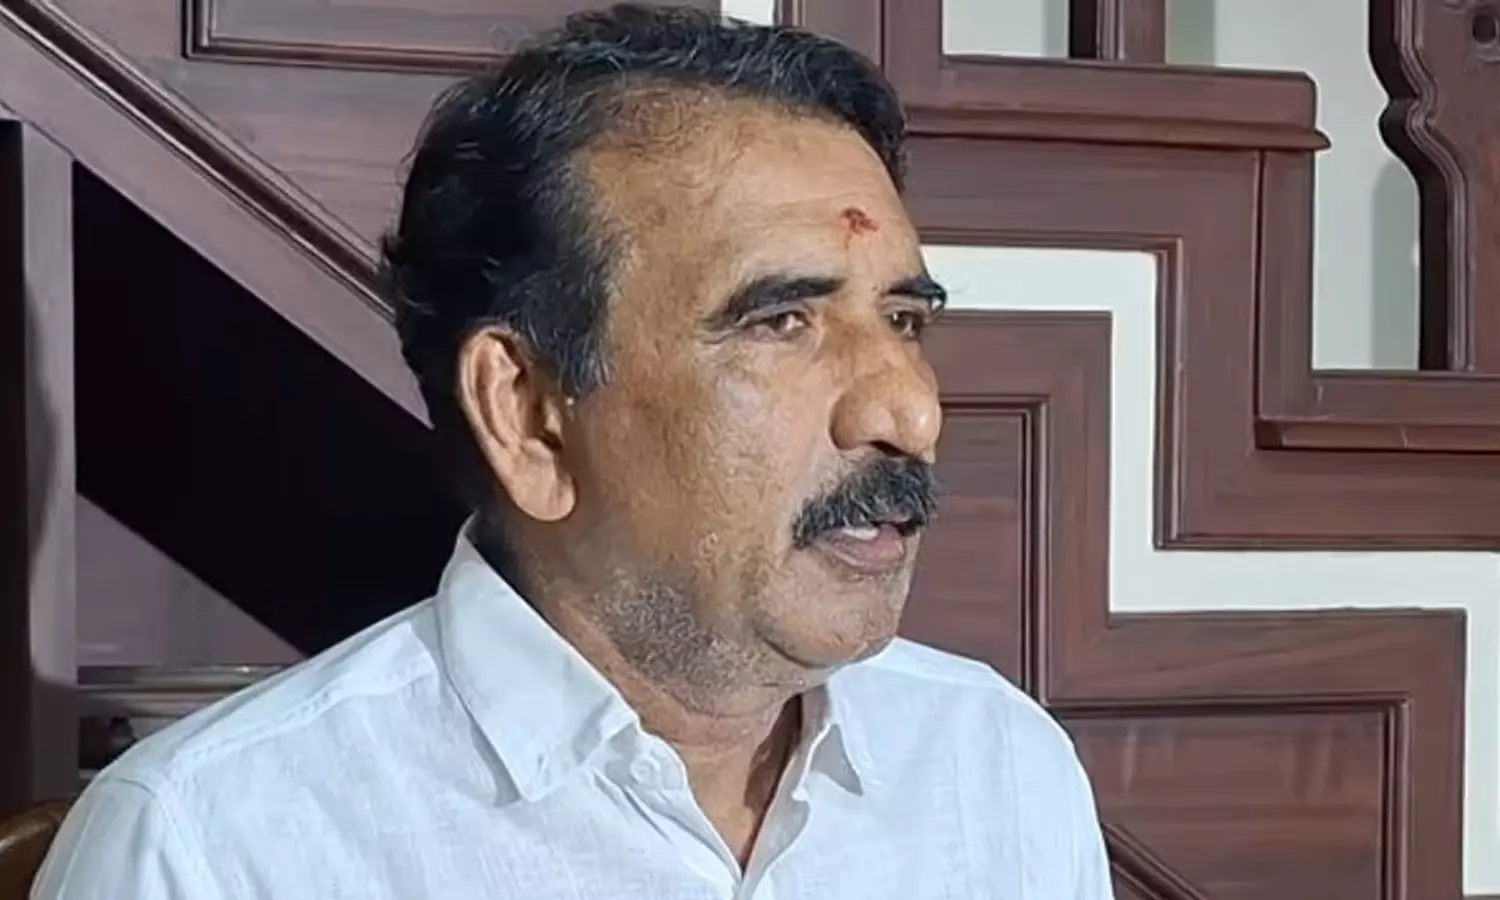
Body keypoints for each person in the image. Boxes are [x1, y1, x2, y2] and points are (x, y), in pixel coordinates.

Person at [33, 5, 1114, 898]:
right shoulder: (215, 847)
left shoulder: (995, 765)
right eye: (782, 321)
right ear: (529, 414)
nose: (910, 412)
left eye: (904, 320)